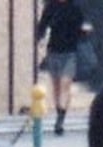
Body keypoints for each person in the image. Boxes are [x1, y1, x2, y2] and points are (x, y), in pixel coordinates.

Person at [36, 0, 86, 135]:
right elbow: (42, 25)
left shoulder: (74, 9)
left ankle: (60, 119)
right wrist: (39, 38)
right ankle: (59, 111)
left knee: (65, 83)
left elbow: (80, 28)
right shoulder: (51, 7)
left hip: (70, 53)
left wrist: (83, 32)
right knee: (56, 85)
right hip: (53, 51)